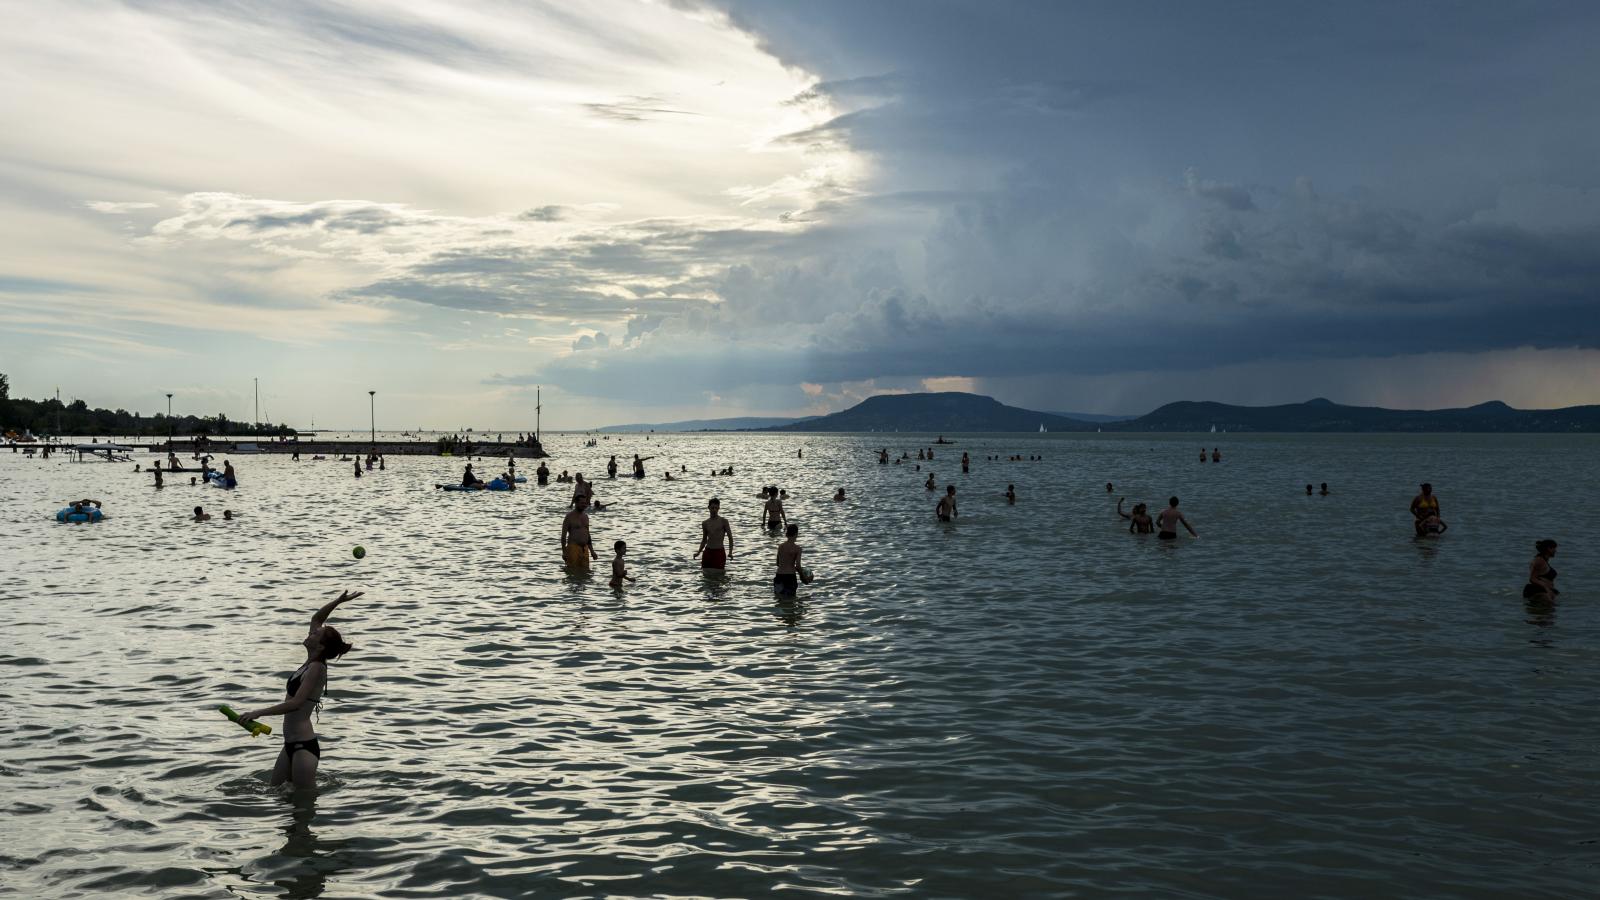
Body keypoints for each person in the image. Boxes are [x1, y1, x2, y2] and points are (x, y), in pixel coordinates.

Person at [232, 590, 361, 790]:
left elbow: (296, 703)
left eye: (315, 634)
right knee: (275, 793)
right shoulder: (309, 662)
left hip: (303, 746)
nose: (311, 632)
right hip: (289, 744)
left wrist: (258, 712)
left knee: (304, 805)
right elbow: (317, 618)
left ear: (320, 647)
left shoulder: (317, 668)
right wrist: (338, 601)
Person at [695, 498, 733, 569]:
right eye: (712, 508)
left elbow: (730, 538)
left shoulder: (724, 521)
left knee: (719, 576)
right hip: (708, 552)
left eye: (716, 508)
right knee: (705, 575)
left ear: (719, 508)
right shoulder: (705, 523)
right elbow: (704, 540)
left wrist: (730, 552)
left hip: (719, 552)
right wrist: (698, 552)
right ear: (708, 508)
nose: (714, 510)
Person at [561, 496, 598, 569]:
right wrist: (564, 552)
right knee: (572, 572)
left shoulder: (586, 517)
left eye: (585, 503)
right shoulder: (569, 517)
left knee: (585, 573)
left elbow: (588, 535)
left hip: (584, 549)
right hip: (573, 548)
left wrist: (592, 551)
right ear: (576, 503)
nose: (584, 505)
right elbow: (563, 537)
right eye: (582, 503)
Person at [774, 524, 802, 597]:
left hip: (779, 575)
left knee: (779, 599)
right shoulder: (797, 549)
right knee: (791, 600)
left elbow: (777, 563)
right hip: (790, 576)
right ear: (796, 534)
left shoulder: (780, 546)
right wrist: (803, 576)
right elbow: (798, 566)